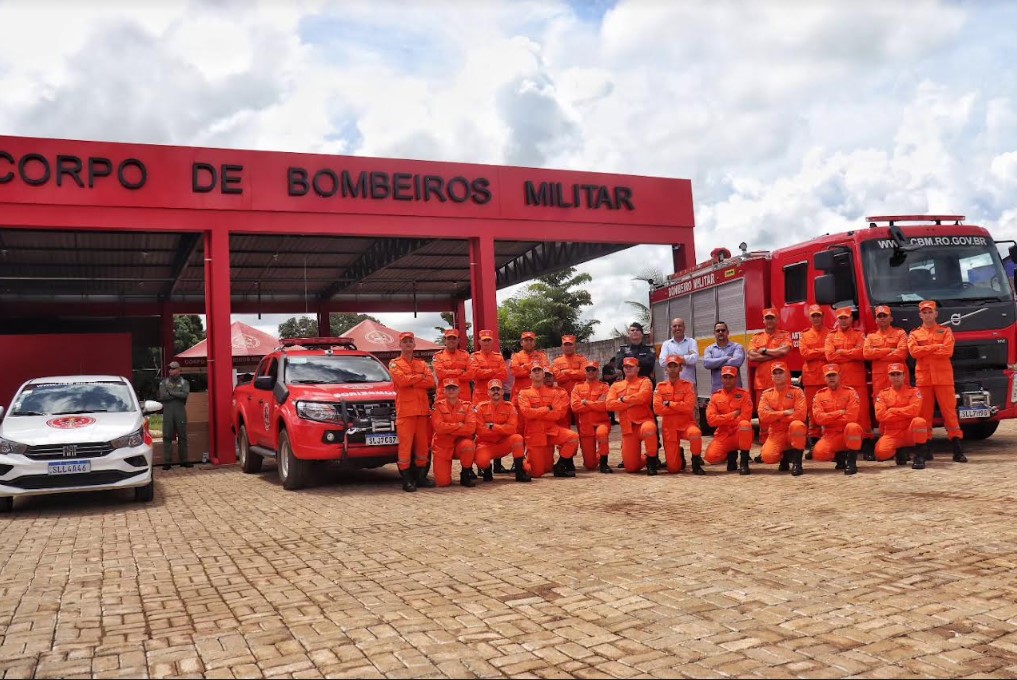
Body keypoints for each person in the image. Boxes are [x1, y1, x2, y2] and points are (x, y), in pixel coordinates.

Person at [908, 300, 967, 463]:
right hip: (924, 380)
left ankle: (957, 449)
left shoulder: (946, 331)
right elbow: (913, 352)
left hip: (943, 379)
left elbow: (947, 351)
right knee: (924, 415)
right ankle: (925, 448)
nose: (927, 315)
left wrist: (925, 349)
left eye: (930, 312)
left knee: (950, 414)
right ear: (920, 315)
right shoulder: (914, 334)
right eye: (924, 312)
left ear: (936, 314)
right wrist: (935, 347)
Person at [388, 332, 437, 492]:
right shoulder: (394, 363)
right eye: (405, 342)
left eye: (410, 341)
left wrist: (412, 379)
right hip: (406, 412)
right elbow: (401, 382)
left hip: (422, 411)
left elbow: (430, 382)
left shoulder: (421, 363)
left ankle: (421, 477)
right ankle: (407, 479)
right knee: (405, 446)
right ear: (400, 345)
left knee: (423, 446)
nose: (408, 344)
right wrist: (419, 377)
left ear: (414, 345)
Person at [517, 365, 579, 478]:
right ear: (530, 375)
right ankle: (523, 462)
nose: (537, 373)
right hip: (535, 434)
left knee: (573, 437)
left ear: (543, 375)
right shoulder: (524, 393)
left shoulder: (553, 393)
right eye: (534, 371)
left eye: (539, 370)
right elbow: (526, 413)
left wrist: (536, 413)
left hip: (551, 431)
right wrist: (547, 409)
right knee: (537, 473)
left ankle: (560, 465)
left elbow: (557, 414)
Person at [825, 307, 872, 452]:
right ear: (837, 320)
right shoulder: (831, 336)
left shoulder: (859, 334)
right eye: (841, 318)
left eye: (846, 318)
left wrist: (841, 352)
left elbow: (863, 353)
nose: (844, 320)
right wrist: (851, 353)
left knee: (862, 413)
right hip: (841, 382)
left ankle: (866, 443)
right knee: (843, 412)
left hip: (857, 380)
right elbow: (830, 356)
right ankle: (846, 443)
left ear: (851, 319)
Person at [606, 357, 660, 474]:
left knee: (649, 429)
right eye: (626, 367)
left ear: (638, 369)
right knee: (631, 468)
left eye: (631, 366)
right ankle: (645, 458)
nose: (628, 369)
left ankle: (652, 462)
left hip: (643, 422)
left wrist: (622, 400)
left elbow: (643, 397)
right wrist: (632, 402)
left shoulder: (645, 381)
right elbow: (609, 405)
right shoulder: (616, 385)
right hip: (628, 428)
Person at [747, 308, 792, 443]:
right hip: (762, 382)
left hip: (781, 383)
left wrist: (765, 351)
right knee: (764, 414)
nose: (770, 320)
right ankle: (765, 443)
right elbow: (751, 355)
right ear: (763, 320)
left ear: (777, 320)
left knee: (784, 411)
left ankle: (784, 443)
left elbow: (784, 350)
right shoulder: (757, 337)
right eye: (767, 318)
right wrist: (773, 355)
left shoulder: (785, 335)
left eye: (772, 318)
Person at [874, 363, 930, 469]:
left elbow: (914, 411)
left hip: (909, 431)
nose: (896, 377)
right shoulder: (883, 394)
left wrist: (892, 410)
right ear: (888, 377)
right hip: (892, 433)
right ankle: (900, 452)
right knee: (881, 453)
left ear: (904, 376)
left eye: (898, 374)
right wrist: (904, 413)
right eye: (893, 374)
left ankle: (919, 456)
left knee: (919, 422)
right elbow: (880, 416)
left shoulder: (914, 391)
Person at [811, 364, 864, 475]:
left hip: (847, 432)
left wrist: (828, 417)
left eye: (834, 375)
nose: (831, 378)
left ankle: (851, 462)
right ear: (824, 378)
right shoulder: (819, 395)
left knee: (853, 426)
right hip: (830, 435)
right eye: (828, 375)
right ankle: (839, 456)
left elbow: (852, 417)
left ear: (839, 376)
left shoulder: (850, 392)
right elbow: (818, 419)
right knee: (819, 454)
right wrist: (839, 412)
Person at [653, 357, 702, 474]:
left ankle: (696, 462)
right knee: (673, 469)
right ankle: (679, 455)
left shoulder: (688, 386)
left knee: (695, 434)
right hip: (670, 428)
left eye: (676, 366)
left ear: (681, 368)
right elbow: (657, 409)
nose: (673, 369)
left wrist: (670, 404)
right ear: (666, 369)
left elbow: (689, 407)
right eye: (670, 366)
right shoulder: (660, 387)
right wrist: (679, 407)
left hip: (686, 424)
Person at [757, 361, 807, 476]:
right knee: (767, 457)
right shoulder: (766, 394)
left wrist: (774, 416)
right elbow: (763, 416)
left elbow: (801, 415)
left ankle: (797, 463)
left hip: (791, 431)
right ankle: (784, 457)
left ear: (787, 375)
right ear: (772, 377)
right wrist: (784, 413)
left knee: (798, 425)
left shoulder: (797, 392)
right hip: (776, 433)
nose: (778, 375)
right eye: (775, 373)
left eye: (781, 372)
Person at [474, 379, 530, 482]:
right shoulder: (481, 407)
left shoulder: (510, 407)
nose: (496, 391)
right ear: (488, 392)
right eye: (493, 389)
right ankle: (487, 469)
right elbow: (480, 431)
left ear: (503, 392)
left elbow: (512, 429)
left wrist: (493, 426)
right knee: (481, 461)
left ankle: (520, 472)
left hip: (504, 444)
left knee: (517, 438)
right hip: (486, 445)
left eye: (498, 389)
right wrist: (503, 428)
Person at [703, 366, 754, 475]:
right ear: (721, 379)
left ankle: (744, 462)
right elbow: (711, 420)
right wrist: (732, 415)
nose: (728, 380)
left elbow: (746, 417)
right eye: (725, 377)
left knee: (745, 425)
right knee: (711, 457)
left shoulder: (744, 395)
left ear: (736, 379)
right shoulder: (715, 397)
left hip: (738, 432)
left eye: (731, 377)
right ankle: (731, 455)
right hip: (723, 434)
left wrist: (721, 419)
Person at [430, 380, 477, 488]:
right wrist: (458, 425)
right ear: (444, 391)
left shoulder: (467, 406)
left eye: (454, 388)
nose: (451, 390)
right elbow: (439, 428)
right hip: (442, 446)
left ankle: (466, 473)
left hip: (459, 445)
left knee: (468, 446)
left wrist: (448, 428)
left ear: (459, 390)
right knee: (443, 483)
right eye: (448, 388)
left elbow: (470, 428)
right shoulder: (437, 406)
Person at [571, 361, 613, 473]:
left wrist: (586, 403)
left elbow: (605, 405)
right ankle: (598, 457)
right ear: (584, 372)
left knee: (602, 434)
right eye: (588, 370)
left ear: (598, 372)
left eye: (593, 369)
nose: (590, 372)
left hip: (601, 423)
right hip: (586, 426)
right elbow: (575, 407)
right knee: (590, 465)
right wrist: (595, 403)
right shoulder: (577, 388)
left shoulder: (604, 387)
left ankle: (604, 463)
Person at [798, 305, 831, 447]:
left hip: (827, 378)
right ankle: (814, 441)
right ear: (810, 318)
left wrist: (814, 352)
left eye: (819, 315)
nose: (816, 318)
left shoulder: (830, 333)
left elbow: (831, 353)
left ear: (823, 317)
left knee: (828, 408)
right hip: (810, 379)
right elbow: (804, 353)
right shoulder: (804, 335)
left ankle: (829, 439)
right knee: (812, 411)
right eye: (814, 316)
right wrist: (823, 352)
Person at [863, 305, 910, 397]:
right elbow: (867, 354)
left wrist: (877, 354)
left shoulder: (900, 333)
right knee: (880, 402)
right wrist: (890, 350)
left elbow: (902, 354)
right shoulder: (871, 336)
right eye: (879, 316)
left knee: (902, 399)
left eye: (885, 316)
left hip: (898, 375)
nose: (882, 318)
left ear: (891, 318)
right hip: (880, 377)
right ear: (876, 320)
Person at [158, 361, 191, 470]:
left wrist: (171, 393)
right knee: (167, 436)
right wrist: (177, 394)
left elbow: (184, 395)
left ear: (178, 370)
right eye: (170, 369)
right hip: (168, 412)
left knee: (182, 436)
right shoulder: (164, 382)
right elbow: (162, 396)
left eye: (173, 368)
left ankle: (184, 460)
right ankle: (167, 462)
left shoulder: (184, 382)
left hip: (180, 411)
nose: (170, 371)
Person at [551, 335, 587, 424]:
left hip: (580, 396)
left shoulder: (582, 359)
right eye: (565, 345)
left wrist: (566, 371)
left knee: (583, 425)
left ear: (575, 346)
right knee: (563, 424)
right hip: (563, 396)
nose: (568, 347)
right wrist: (576, 373)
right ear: (562, 347)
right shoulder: (557, 362)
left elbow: (584, 375)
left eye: (570, 344)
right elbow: (558, 377)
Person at [702, 321, 745, 394]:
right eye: (718, 331)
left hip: (735, 390)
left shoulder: (737, 347)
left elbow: (737, 362)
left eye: (723, 330)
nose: (720, 332)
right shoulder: (709, 349)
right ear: (714, 334)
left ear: (728, 332)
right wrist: (726, 358)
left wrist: (715, 363)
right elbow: (707, 364)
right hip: (717, 390)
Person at [468, 329, 508, 404]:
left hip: (496, 396)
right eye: (484, 340)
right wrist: (494, 371)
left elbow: (504, 375)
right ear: (479, 342)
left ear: (492, 341)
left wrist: (483, 373)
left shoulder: (499, 357)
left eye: (489, 340)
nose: (487, 343)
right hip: (480, 397)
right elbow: (474, 374)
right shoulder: (474, 356)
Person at [432, 329, 474, 400]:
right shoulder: (438, 356)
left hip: (463, 397)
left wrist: (447, 373)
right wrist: (459, 371)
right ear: (445, 340)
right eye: (449, 338)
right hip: (444, 397)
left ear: (458, 340)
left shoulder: (465, 355)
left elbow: (471, 375)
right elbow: (440, 374)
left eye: (454, 338)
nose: (451, 340)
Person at [658, 317, 698, 386]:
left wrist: (673, 359)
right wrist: (683, 359)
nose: (677, 328)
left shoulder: (691, 342)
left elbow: (694, 359)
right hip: (670, 385)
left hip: (688, 383)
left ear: (684, 328)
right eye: (674, 326)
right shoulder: (666, 344)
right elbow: (662, 362)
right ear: (671, 328)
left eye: (680, 326)